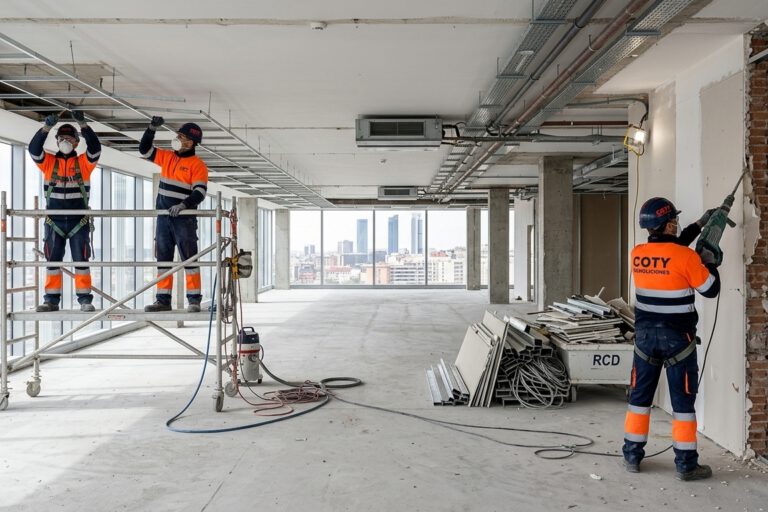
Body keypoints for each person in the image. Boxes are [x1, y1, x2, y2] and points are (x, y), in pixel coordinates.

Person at [623, 197, 720, 481]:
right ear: (665, 225)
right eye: (673, 221)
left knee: (639, 400)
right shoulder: (687, 258)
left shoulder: (637, 254)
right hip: (678, 339)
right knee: (682, 404)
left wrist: (699, 224)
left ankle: (631, 455)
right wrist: (710, 263)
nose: (677, 225)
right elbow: (710, 290)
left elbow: (671, 250)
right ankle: (686, 464)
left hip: (644, 338)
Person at [28, 112, 100, 312]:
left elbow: (95, 148)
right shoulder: (49, 163)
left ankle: (85, 299)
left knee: (81, 261)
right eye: (61, 138)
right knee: (53, 262)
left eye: (69, 138)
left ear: (77, 142)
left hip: (79, 221)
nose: (64, 141)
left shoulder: (84, 164)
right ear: (57, 141)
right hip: (54, 222)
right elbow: (34, 150)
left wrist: (84, 125)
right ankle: (51, 300)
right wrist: (45, 128)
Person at [139, 116, 208, 312]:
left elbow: (199, 192)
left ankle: (194, 300)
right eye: (177, 135)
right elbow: (144, 149)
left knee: (189, 260)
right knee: (163, 260)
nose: (177, 139)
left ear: (191, 142)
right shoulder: (168, 157)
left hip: (183, 220)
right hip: (163, 219)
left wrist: (183, 205)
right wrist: (151, 129)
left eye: (181, 136)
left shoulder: (198, 165)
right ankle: (163, 300)